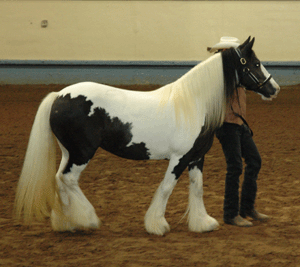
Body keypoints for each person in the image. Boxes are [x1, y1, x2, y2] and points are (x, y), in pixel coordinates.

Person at [208, 37, 270, 227]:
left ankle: (247, 207)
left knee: (254, 160)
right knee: (234, 166)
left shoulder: (238, 71)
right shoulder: (218, 72)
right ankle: (230, 214)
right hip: (226, 125)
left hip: (240, 124)